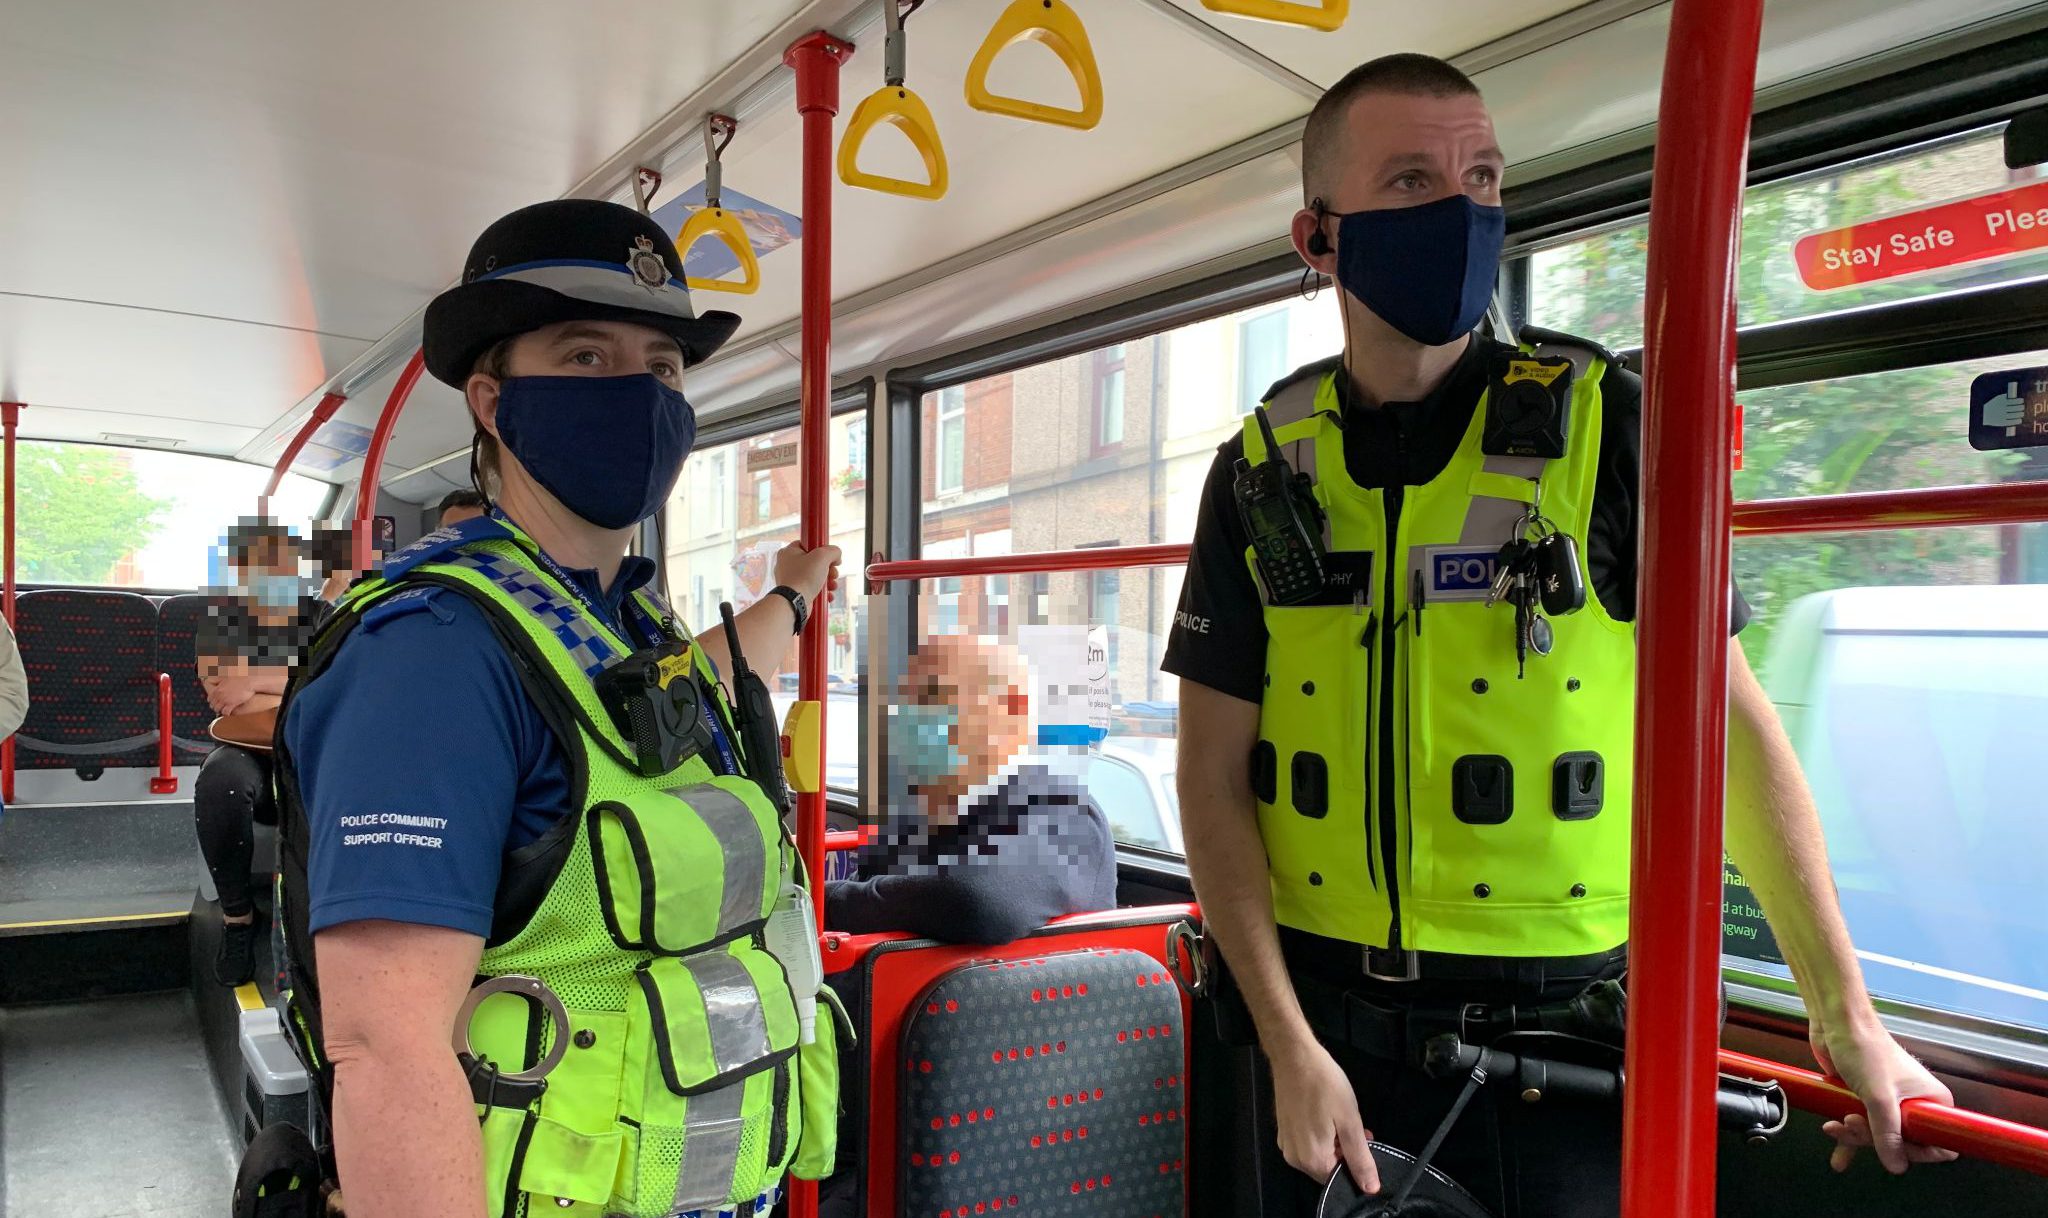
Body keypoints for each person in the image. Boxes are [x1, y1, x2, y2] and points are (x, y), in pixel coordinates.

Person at [1162, 53, 1955, 1218]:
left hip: (1563, 1057)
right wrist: (1284, 1043)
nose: (1462, 208)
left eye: (1481, 177)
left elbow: (1728, 736)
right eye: (1410, 181)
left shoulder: (1604, 427)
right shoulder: (1260, 472)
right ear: (1318, 237)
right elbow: (1211, 776)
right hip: (1324, 1048)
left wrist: (1846, 1016)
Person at [270, 199, 842, 1218]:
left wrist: (795, 595)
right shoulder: (433, 655)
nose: (638, 392)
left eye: (660, 366)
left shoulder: (628, 624)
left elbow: (666, 708)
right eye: (585, 356)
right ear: (492, 402)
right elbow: (387, 1051)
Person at [825, 633, 1117, 944]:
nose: (904, 717)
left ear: (1009, 710)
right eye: (902, 701)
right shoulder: (914, 820)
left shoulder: (1070, 815)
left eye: (931, 697)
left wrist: (824, 901)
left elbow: (979, 899)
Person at [194, 521, 321, 985]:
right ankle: (237, 917)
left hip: (311, 744)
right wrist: (295, 680)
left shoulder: (326, 615)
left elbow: (337, 679)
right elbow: (229, 699)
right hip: (246, 748)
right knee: (220, 784)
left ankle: (316, 920)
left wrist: (255, 678)